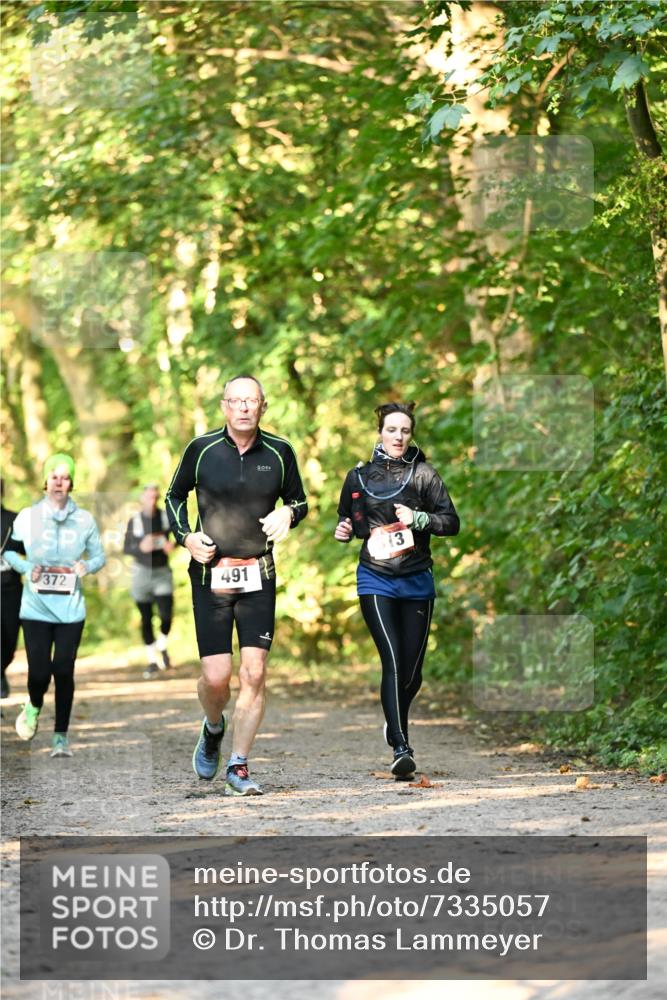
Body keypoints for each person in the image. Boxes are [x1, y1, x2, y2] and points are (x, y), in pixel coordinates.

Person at [166, 375, 308, 796]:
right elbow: (174, 497)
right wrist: (187, 537)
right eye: (237, 400)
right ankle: (213, 727)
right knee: (216, 678)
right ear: (224, 406)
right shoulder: (201, 449)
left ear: (263, 406)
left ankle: (238, 766)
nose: (245, 407)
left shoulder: (281, 453)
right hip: (211, 577)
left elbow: (299, 500)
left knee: (255, 672)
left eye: (253, 401)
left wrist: (290, 515)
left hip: (258, 574)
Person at [335, 402, 459, 778]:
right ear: (380, 432)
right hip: (375, 578)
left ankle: (394, 717)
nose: (399, 437)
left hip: (417, 578)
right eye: (392, 430)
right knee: (391, 659)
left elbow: (451, 522)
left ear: (411, 434)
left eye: (405, 431)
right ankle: (401, 747)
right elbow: (350, 521)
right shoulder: (359, 476)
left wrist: (419, 518)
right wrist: (343, 531)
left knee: (413, 672)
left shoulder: (424, 475)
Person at [4, 454, 106, 757]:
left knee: (63, 669)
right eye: (54, 476)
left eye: (65, 477)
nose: (59, 482)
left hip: (71, 610)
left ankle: (60, 736)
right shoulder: (26, 517)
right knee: (39, 673)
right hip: (35, 608)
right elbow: (8, 552)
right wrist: (25, 569)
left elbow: (99, 556)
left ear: (72, 482)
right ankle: (34, 705)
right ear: (45, 481)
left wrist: (87, 567)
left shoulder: (85, 519)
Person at [123, 484, 176, 679]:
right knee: (146, 618)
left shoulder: (164, 517)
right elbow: (126, 548)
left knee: (166, 615)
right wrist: (140, 547)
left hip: (162, 572)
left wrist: (174, 545)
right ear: (142, 499)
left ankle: (162, 644)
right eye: (149, 497)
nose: (152, 500)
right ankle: (152, 660)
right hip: (141, 573)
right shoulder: (135, 521)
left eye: (155, 497)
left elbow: (179, 536)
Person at [1, 479, 23, 699]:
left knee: (8, 641)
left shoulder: (14, 520)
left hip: (11, 590)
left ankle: (1, 669)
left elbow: (30, 550)